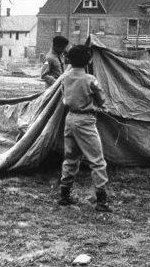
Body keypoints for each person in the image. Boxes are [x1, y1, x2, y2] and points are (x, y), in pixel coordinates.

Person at [57, 44, 111, 212]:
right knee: (97, 160)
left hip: (70, 119)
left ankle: (64, 196)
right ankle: (101, 200)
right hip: (86, 121)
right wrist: (95, 106)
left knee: (70, 158)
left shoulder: (64, 78)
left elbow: (64, 100)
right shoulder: (90, 79)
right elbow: (102, 99)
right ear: (88, 60)